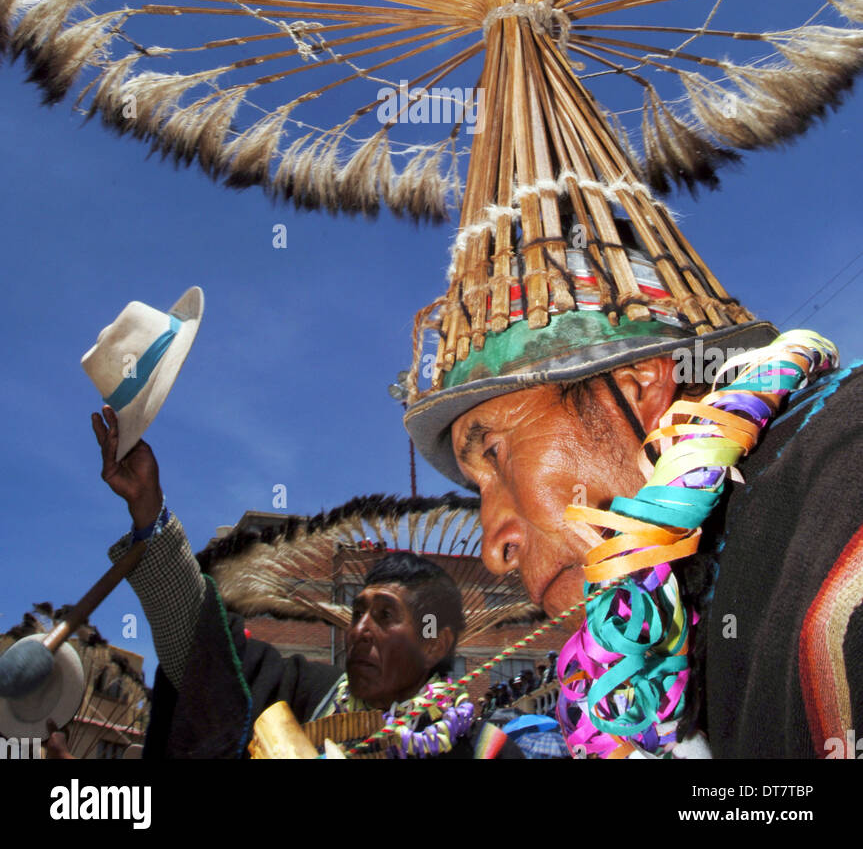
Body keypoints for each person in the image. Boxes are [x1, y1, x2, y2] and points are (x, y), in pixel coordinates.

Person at [405, 293, 863, 759]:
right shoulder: (690, 617)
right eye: (477, 489)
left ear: (637, 387)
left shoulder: (842, 477)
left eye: (495, 453)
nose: (493, 549)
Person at [92, 405, 522, 760]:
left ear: (434, 643)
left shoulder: (481, 749)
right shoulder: (300, 695)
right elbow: (198, 645)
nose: (360, 630)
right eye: (358, 613)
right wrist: (149, 509)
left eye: (386, 615)